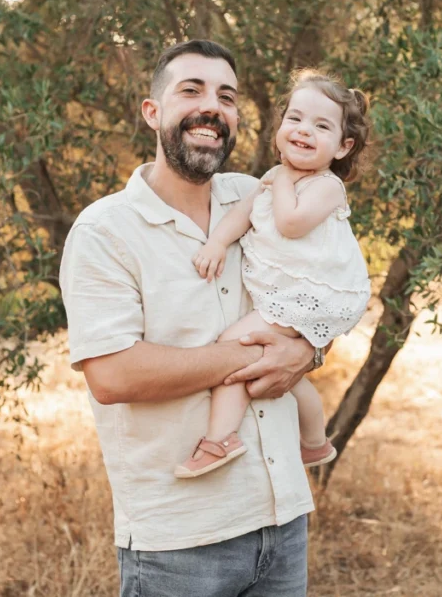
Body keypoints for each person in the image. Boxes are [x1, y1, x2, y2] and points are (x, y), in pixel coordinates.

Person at [59, 40, 320, 596]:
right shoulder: (104, 232)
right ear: (152, 113)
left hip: (283, 519)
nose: (212, 107)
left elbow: (315, 296)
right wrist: (251, 357)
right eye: (192, 90)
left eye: (226, 96)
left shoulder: (261, 201)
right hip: (178, 543)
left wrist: (308, 351)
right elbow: (113, 376)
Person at [175, 70, 372, 479]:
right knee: (271, 364)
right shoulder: (270, 178)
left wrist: (282, 177)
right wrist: (215, 244)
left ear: (342, 146)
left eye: (321, 126)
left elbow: (291, 223)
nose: (303, 131)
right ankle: (315, 442)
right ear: (280, 125)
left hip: (307, 295)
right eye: (295, 119)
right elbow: (241, 216)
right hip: (282, 293)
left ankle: (221, 439)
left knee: (233, 347)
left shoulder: (326, 186)